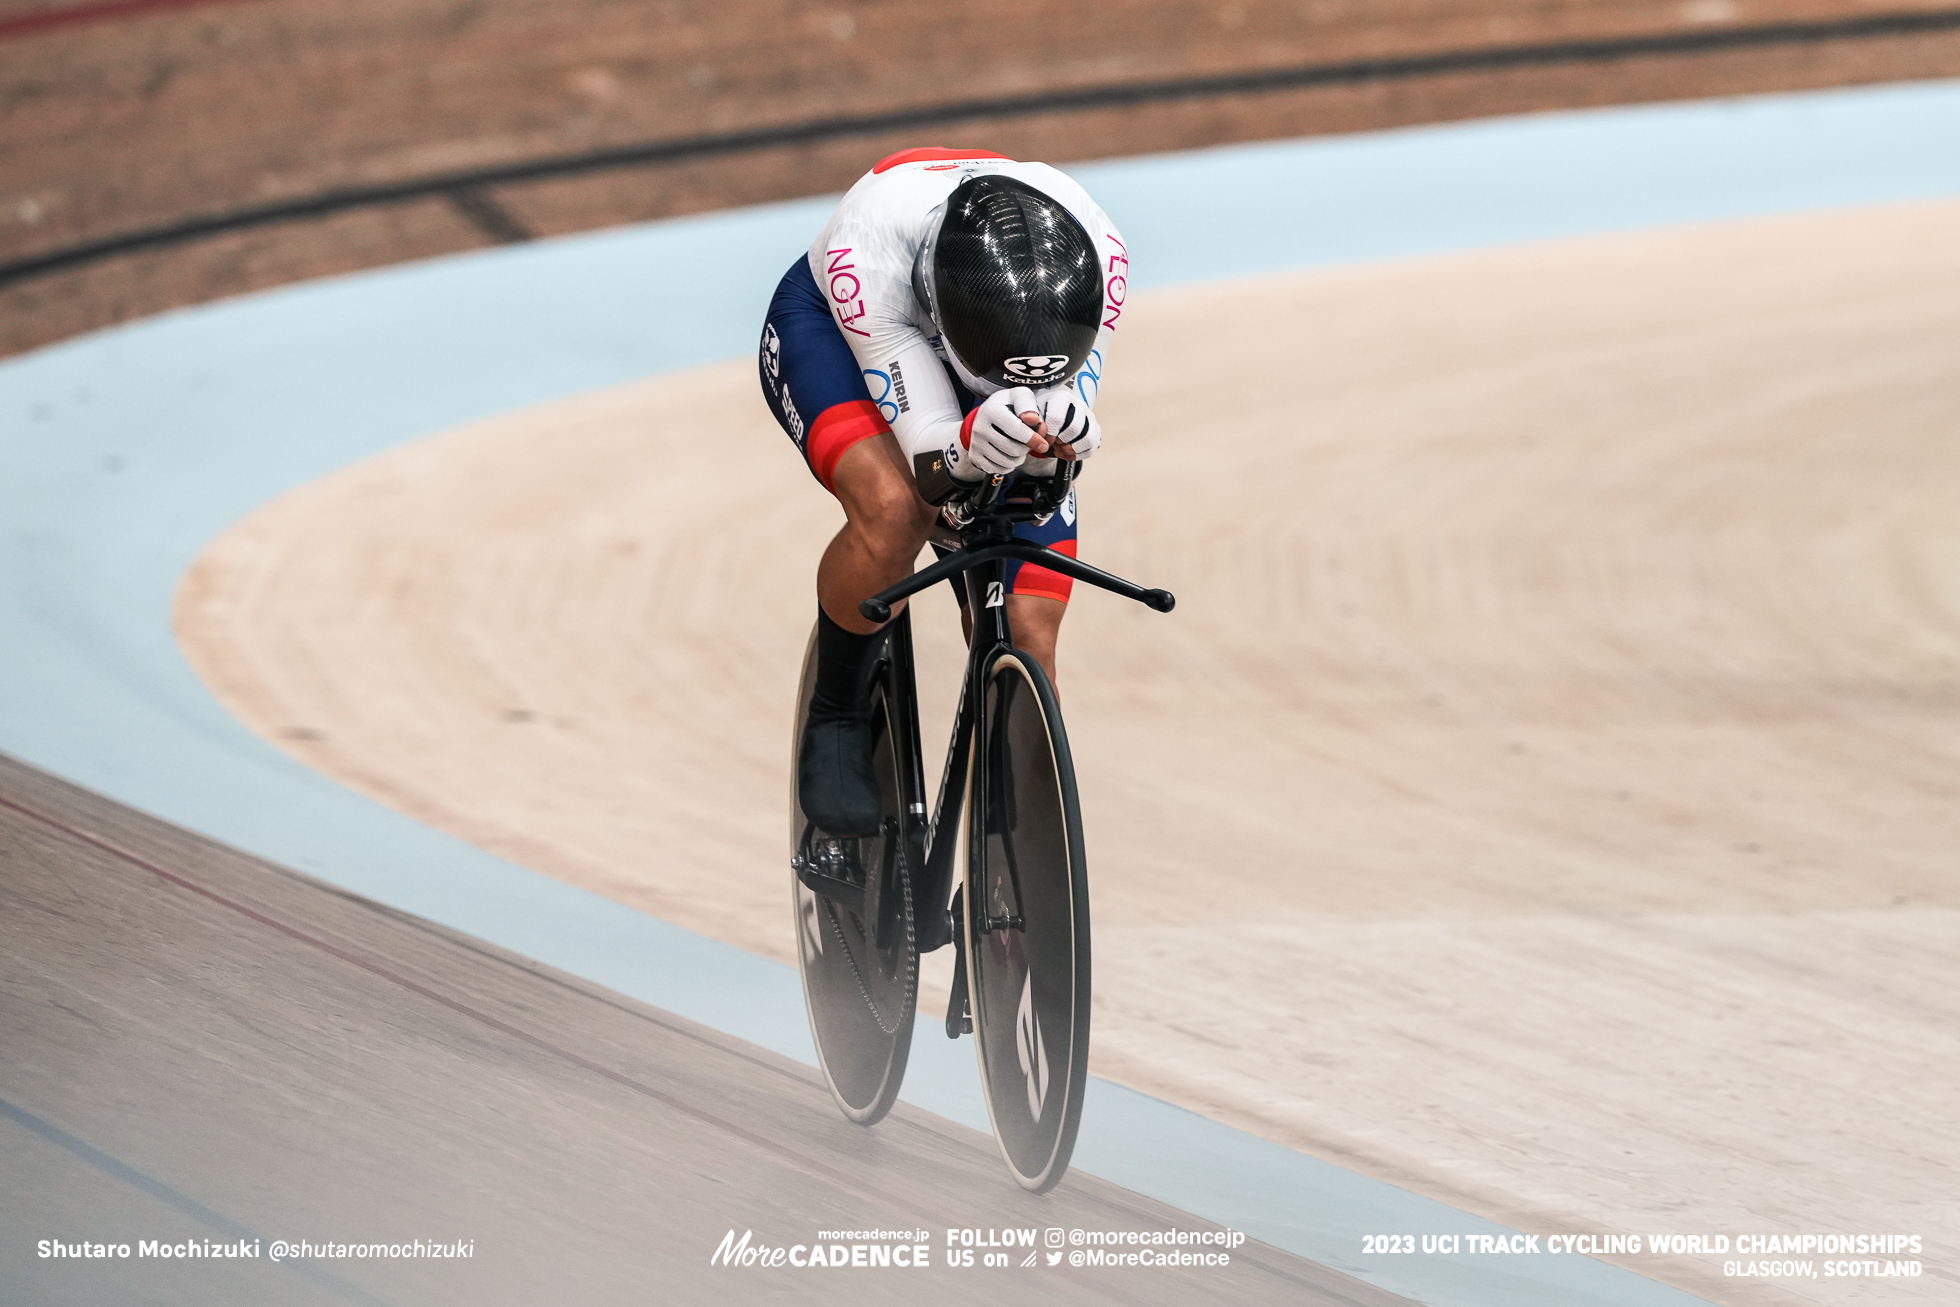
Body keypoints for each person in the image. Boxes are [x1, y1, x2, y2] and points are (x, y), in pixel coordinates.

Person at [758, 147, 1126, 837]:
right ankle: (837, 709)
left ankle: (1011, 849)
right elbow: (930, 447)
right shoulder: (869, 257)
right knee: (899, 510)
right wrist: (965, 445)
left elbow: (1062, 415)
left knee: (1028, 624)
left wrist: (1064, 437)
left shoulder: (1099, 252)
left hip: (1006, 336)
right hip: (846, 339)